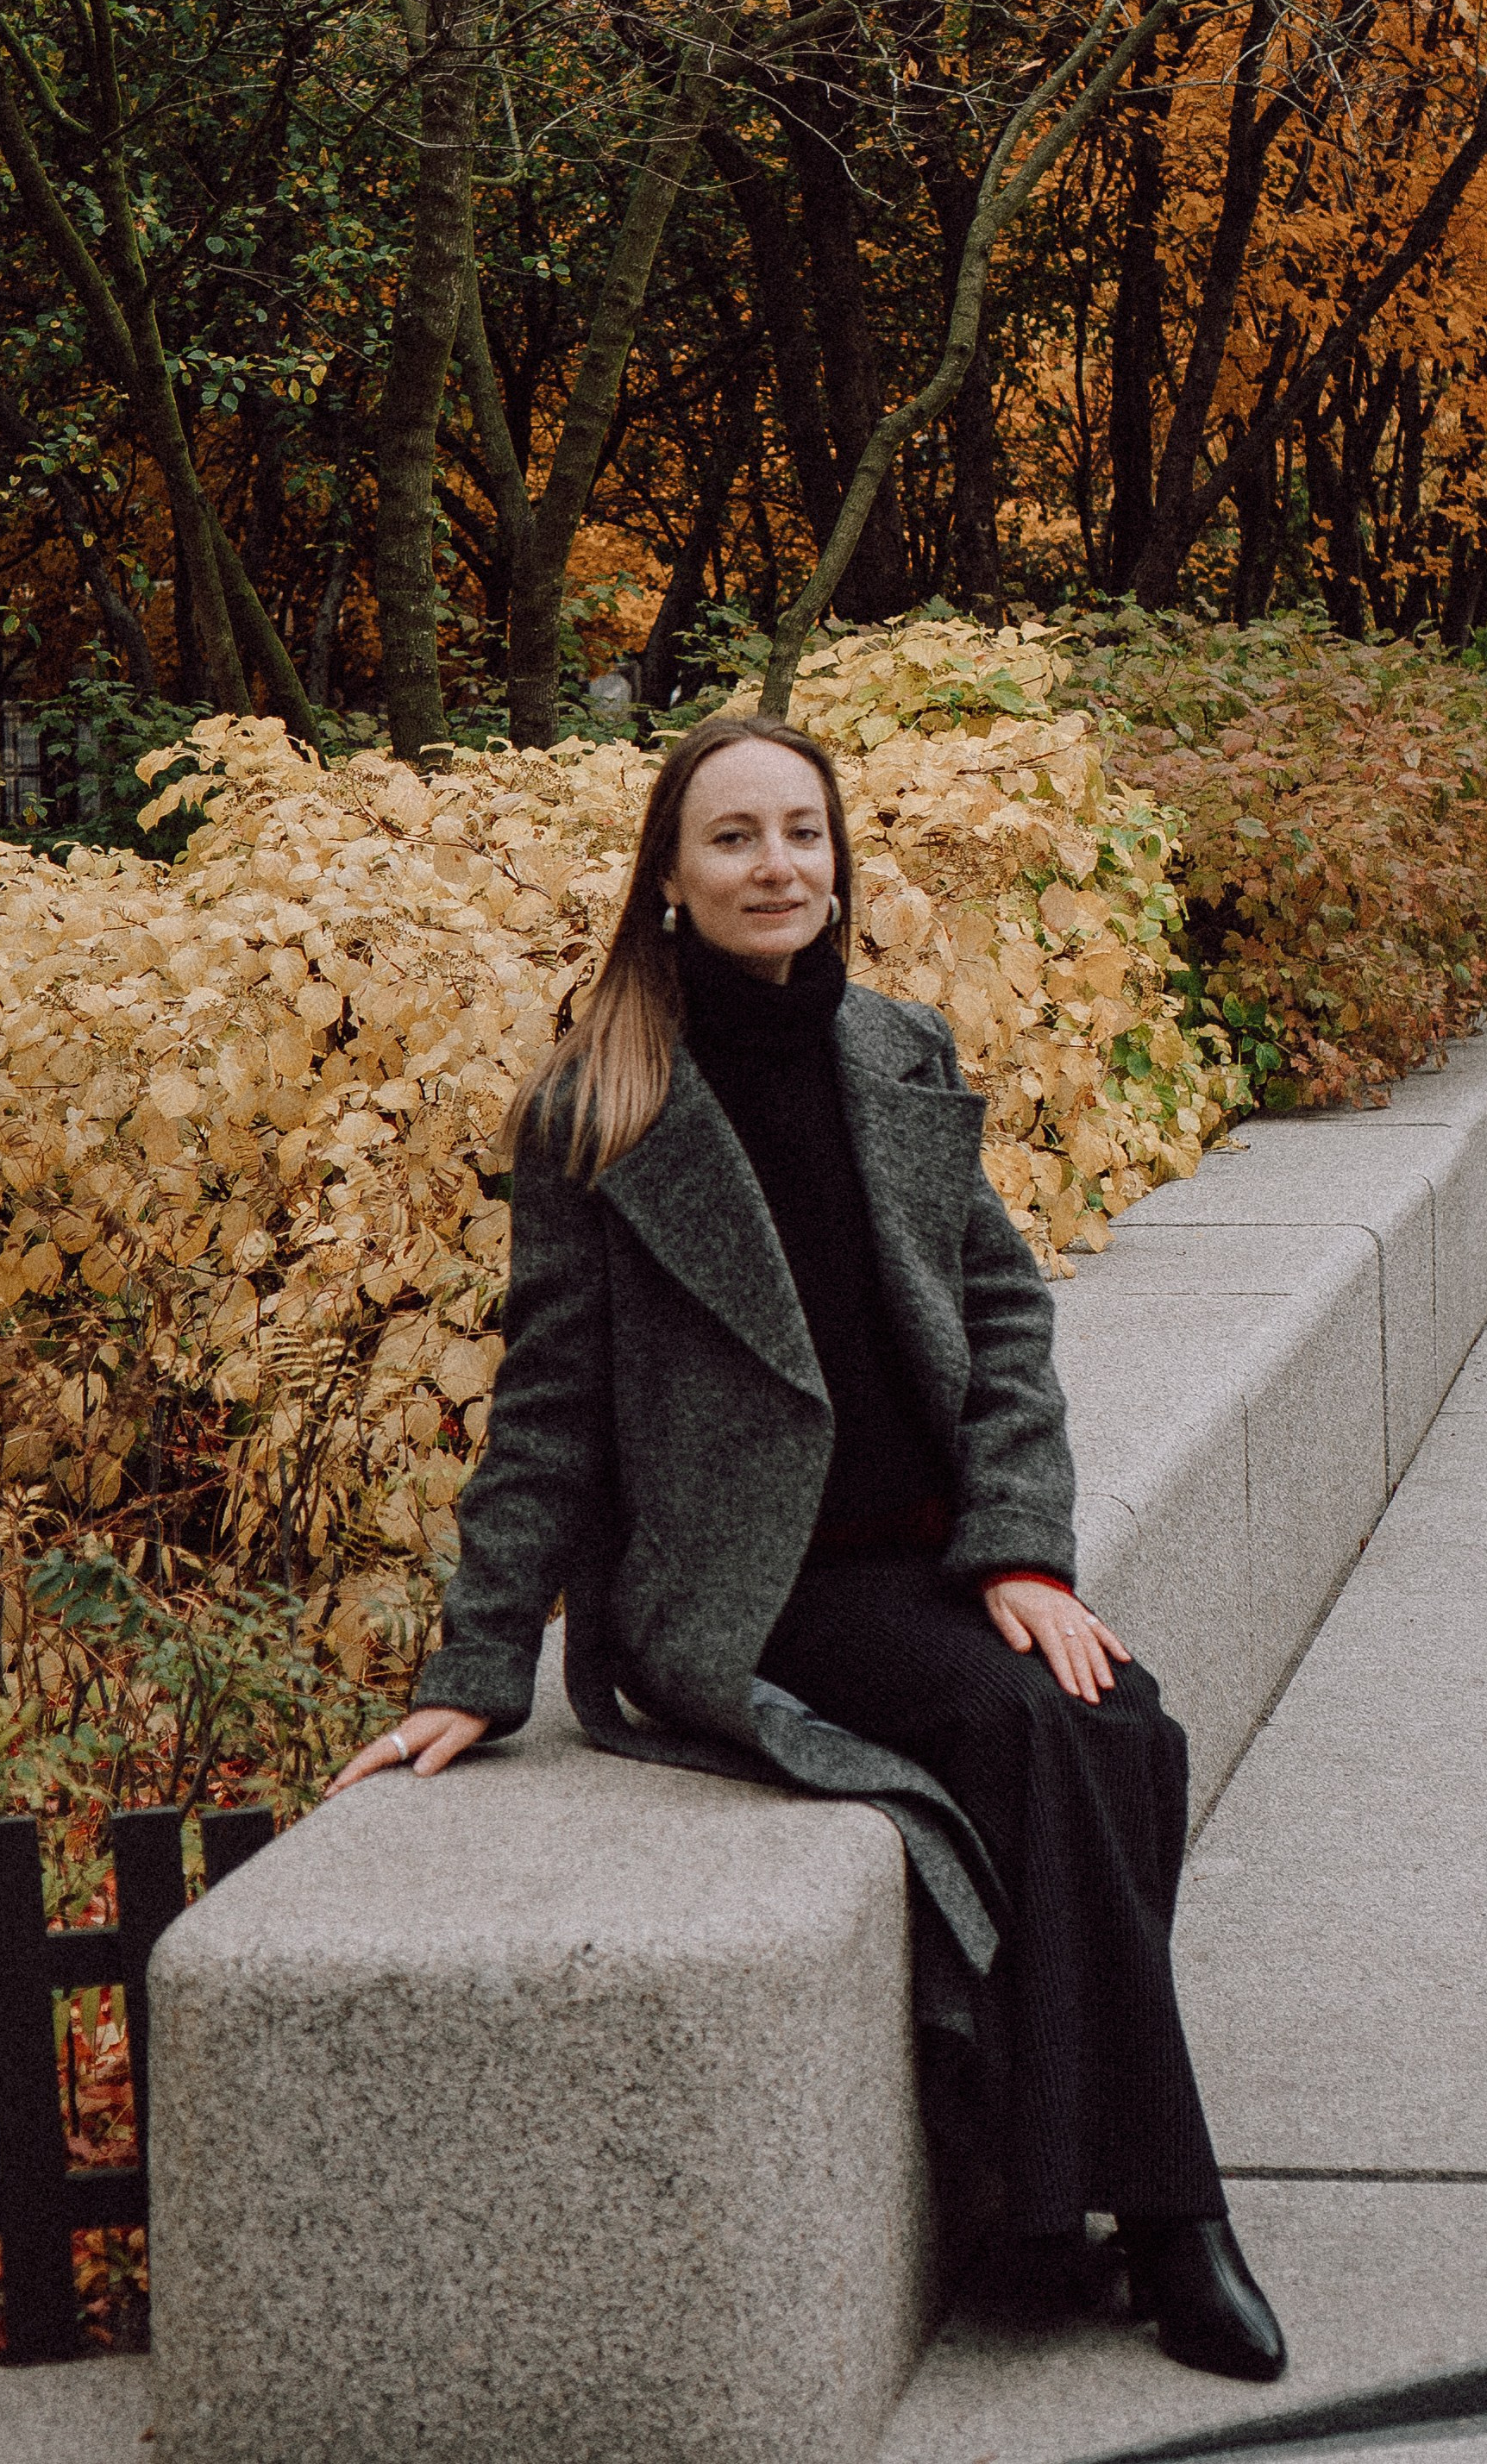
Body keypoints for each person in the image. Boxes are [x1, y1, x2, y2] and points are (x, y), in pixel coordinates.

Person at [329, 713, 1286, 2386]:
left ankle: (1045, 2202)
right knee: (1031, 1727)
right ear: (670, 876)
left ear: (837, 860)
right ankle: (1172, 2219)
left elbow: (1002, 1316)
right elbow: (549, 1408)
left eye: (802, 832)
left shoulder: (899, 1049)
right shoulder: (600, 1106)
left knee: (1125, 1725)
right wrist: (476, 1664)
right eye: (734, 838)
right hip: (749, 1590)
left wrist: (1021, 1551)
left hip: (932, 1561)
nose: (776, 865)